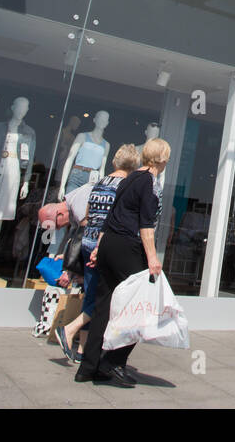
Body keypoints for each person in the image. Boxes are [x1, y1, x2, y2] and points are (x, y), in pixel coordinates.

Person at [74, 139, 170, 386]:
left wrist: (98, 246)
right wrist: (152, 259)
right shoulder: (149, 182)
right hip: (127, 246)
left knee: (103, 306)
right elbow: (146, 225)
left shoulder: (129, 178)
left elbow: (111, 215)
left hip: (109, 244)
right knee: (141, 306)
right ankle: (114, 361)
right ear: (162, 159)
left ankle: (88, 366)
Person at [56, 143, 138, 363]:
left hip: (87, 243)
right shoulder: (124, 186)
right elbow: (116, 219)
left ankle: (82, 350)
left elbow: (88, 215)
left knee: (91, 295)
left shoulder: (99, 183)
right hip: (103, 247)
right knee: (105, 300)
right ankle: (70, 330)